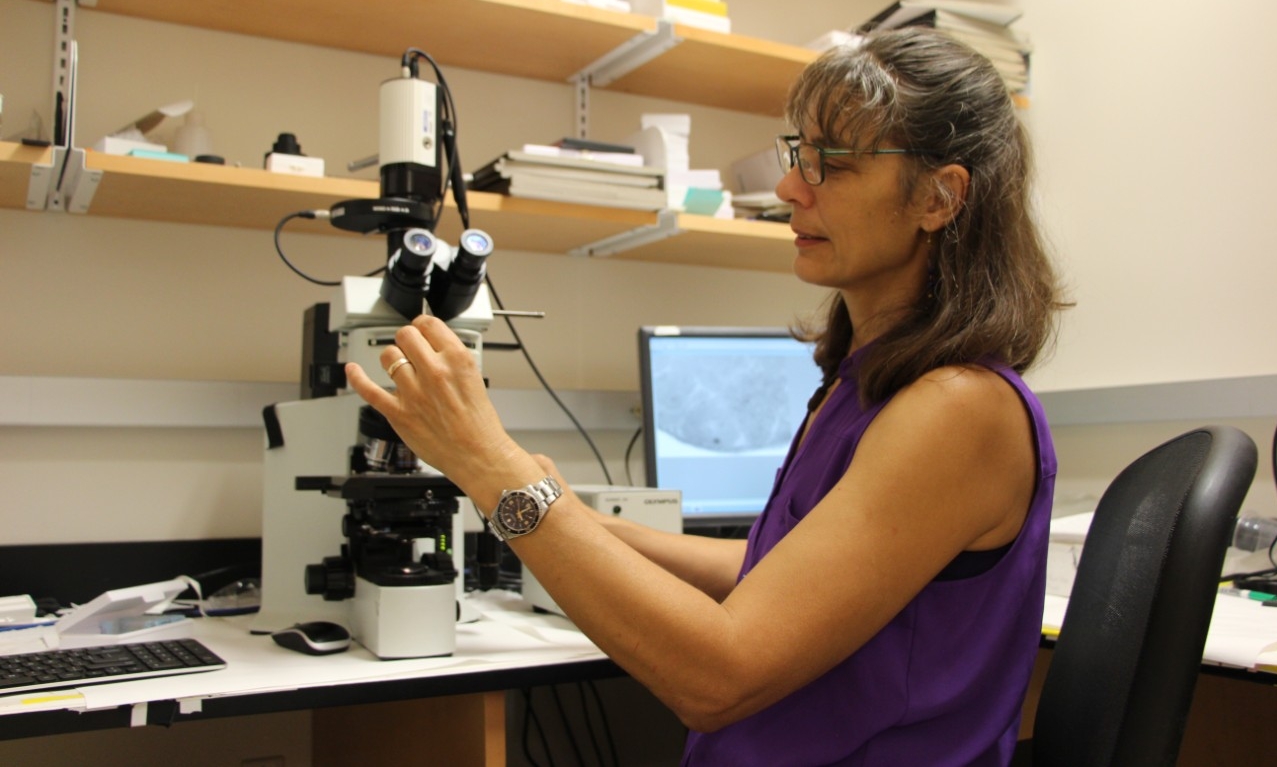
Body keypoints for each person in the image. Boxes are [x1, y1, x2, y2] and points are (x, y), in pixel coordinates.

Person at [346, 26, 1069, 767]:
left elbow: (719, 675)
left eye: (832, 164)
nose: (791, 188)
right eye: (799, 155)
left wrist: (494, 470)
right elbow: (770, 570)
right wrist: (573, 514)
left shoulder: (957, 409)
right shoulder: (860, 382)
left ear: (939, 197)